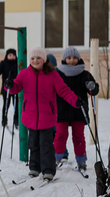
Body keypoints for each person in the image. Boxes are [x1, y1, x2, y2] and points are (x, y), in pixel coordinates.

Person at [5, 47, 79, 181]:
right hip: (30, 116)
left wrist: (75, 100)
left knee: (46, 144)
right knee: (33, 144)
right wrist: (9, 85)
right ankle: (34, 168)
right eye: (32, 58)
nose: (35, 60)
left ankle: (48, 170)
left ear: (44, 60)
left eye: (38, 58)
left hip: (47, 117)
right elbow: (15, 87)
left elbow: (64, 90)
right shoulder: (24, 74)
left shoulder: (53, 75)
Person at [54, 46, 98, 172]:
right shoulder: (58, 74)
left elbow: (93, 91)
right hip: (61, 110)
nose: (72, 60)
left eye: (74, 58)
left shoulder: (84, 74)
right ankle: (56, 159)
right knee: (60, 135)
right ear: (64, 59)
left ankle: (81, 160)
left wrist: (93, 87)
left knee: (78, 136)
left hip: (79, 110)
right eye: (69, 58)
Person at [0, 48, 20, 129]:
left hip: (16, 88)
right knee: (6, 105)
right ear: (7, 56)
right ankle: (4, 121)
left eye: (13, 55)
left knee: (16, 106)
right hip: (6, 89)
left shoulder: (17, 64)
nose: (11, 57)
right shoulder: (4, 63)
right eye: (10, 55)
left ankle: (16, 121)